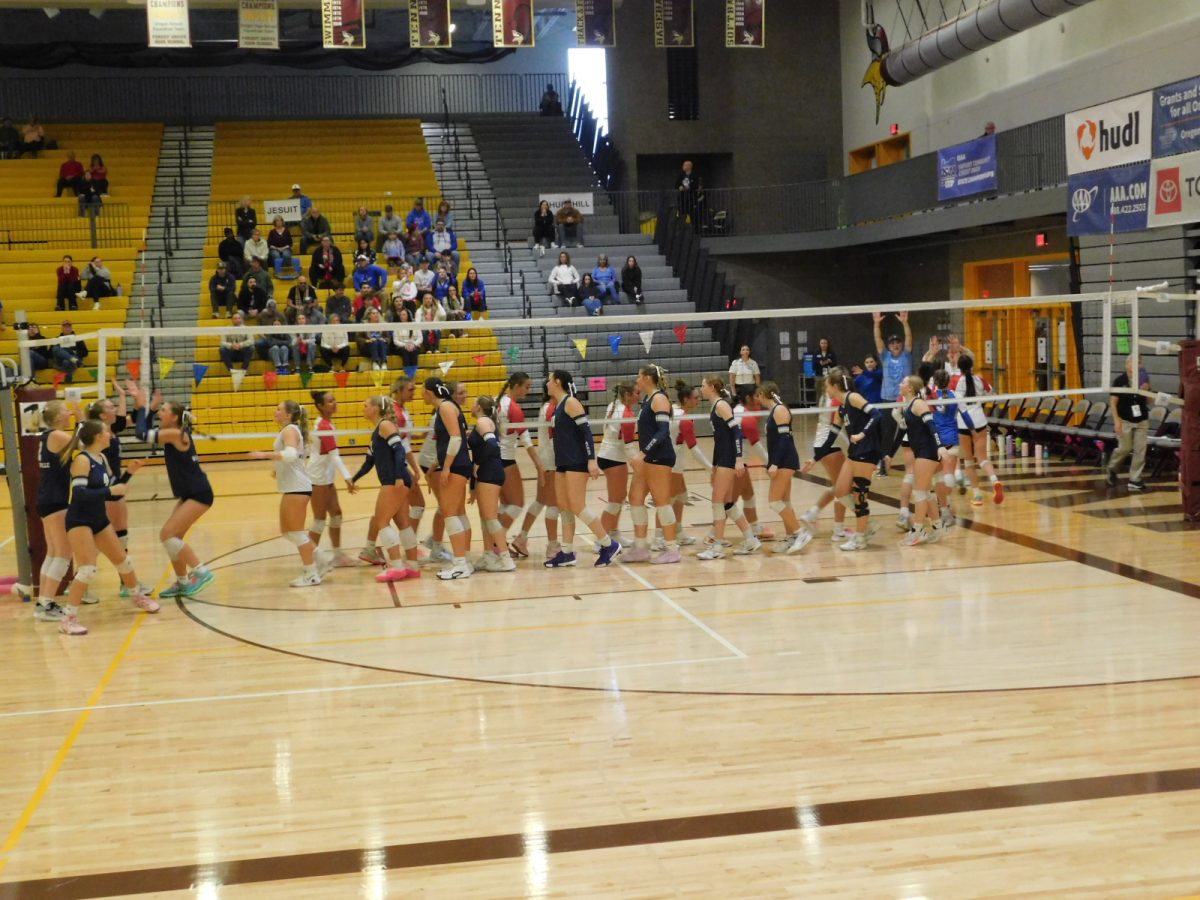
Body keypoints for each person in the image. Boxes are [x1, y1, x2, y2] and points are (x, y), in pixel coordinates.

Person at [57, 421, 157, 634]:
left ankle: (137, 596)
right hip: (79, 520)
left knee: (124, 562)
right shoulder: (82, 461)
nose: (110, 433)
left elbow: (114, 487)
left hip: (98, 518)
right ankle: (67, 619)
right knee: (87, 569)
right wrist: (111, 492)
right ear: (97, 436)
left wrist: (129, 473)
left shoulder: (101, 458)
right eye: (106, 431)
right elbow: (81, 495)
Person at [132, 386, 216, 598]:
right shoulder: (173, 433)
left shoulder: (174, 434)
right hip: (190, 493)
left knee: (167, 535)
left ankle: (202, 571)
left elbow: (141, 433)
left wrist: (143, 406)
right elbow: (145, 428)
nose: (160, 413)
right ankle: (183, 581)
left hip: (199, 494)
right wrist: (150, 409)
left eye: (163, 410)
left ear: (174, 417)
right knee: (173, 537)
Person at [543, 370, 622, 568]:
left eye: (549, 380)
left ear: (558, 382)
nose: (546, 383)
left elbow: (586, 432)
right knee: (564, 507)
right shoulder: (557, 405)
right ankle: (567, 552)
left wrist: (591, 460)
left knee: (577, 506)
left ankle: (608, 544)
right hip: (562, 462)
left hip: (577, 461)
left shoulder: (571, 402)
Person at [246, 401, 322, 586]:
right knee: (287, 532)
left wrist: (262, 455)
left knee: (295, 532)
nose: (275, 411)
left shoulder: (289, 430)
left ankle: (311, 573)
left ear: (288, 415)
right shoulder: (290, 429)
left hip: (297, 487)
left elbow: (290, 455)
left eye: (279, 409)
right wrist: (277, 469)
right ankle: (321, 558)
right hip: (292, 486)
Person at [350, 395, 419, 584]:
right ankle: (412, 567)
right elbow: (369, 462)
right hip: (396, 479)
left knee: (381, 521)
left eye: (365, 404)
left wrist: (397, 477)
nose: (362, 408)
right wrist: (353, 479)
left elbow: (399, 451)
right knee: (403, 523)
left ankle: (396, 567)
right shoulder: (377, 430)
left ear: (375, 408)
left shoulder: (385, 425)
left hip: (394, 480)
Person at [695, 376, 761, 559]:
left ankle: (717, 547)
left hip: (729, 458)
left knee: (717, 502)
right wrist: (714, 465)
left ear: (712, 387)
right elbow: (719, 439)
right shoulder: (715, 405)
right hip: (722, 458)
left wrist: (738, 459)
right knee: (727, 503)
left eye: (703, 385)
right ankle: (750, 539)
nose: (701, 388)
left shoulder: (721, 405)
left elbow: (737, 432)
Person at [623, 365, 681, 564]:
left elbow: (663, 431)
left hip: (659, 457)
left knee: (661, 501)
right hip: (648, 458)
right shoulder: (648, 399)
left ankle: (672, 548)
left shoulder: (659, 398)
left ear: (647, 378)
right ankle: (640, 548)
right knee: (635, 497)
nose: (636, 379)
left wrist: (643, 452)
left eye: (639, 376)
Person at [824, 368, 882, 552]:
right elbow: (833, 433)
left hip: (867, 449)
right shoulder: (841, 407)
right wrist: (815, 456)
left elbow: (877, 415)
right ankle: (868, 523)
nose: (825, 389)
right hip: (854, 451)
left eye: (827, 386)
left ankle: (860, 538)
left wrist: (862, 433)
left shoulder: (853, 397)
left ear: (834, 386)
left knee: (859, 496)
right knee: (841, 492)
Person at [31, 402, 77, 625]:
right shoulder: (58, 435)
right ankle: (46, 604)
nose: (69, 413)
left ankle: (43, 602)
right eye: (66, 411)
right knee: (63, 554)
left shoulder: (47, 434)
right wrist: (82, 418)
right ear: (59, 417)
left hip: (48, 499)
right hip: (55, 500)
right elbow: (85, 443)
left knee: (53, 553)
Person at [425, 378, 475, 580]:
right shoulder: (449, 406)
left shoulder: (445, 407)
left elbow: (455, 438)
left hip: (456, 465)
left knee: (450, 513)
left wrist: (445, 467)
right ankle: (466, 560)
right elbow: (448, 441)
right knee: (459, 513)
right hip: (459, 463)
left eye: (423, 390)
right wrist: (434, 466)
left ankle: (460, 564)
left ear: (429, 392)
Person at [755, 382, 812, 554]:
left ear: (765, 394)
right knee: (785, 501)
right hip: (781, 460)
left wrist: (774, 463)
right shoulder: (774, 411)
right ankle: (791, 538)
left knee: (774, 501)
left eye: (758, 395)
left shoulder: (780, 410)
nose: (757, 399)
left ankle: (799, 532)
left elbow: (784, 440)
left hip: (786, 460)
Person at [306, 391, 358, 568]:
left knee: (336, 514)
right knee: (319, 520)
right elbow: (334, 456)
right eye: (329, 401)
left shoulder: (325, 422)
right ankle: (310, 560)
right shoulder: (324, 426)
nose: (334, 403)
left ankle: (337, 555)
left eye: (334, 399)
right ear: (320, 406)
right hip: (317, 477)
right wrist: (348, 477)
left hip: (326, 476)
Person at [895, 375, 947, 546]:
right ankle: (938, 527)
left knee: (919, 492)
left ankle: (918, 530)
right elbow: (903, 431)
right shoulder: (907, 405)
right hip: (921, 451)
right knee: (926, 492)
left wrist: (940, 446)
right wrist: (888, 453)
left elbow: (932, 426)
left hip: (928, 450)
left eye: (903, 382)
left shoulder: (918, 404)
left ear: (910, 388)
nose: (900, 384)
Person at [511, 382, 561, 560]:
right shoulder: (551, 409)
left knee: (540, 501)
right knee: (553, 504)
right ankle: (552, 546)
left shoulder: (547, 407)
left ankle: (521, 538)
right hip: (552, 461)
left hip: (545, 459)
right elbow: (556, 438)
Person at [468, 396, 517, 572]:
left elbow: (492, 446)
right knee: (485, 517)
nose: (471, 406)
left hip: (490, 471)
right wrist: (473, 487)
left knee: (490, 517)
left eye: (474, 403)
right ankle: (488, 555)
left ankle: (505, 559)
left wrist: (478, 463)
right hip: (485, 473)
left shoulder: (483, 421)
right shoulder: (484, 422)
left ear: (480, 407)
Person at [950, 354, 1004, 506]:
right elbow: (992, 394)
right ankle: (995, 481)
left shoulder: (956, 382)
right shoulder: (980, 380)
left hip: (963, 424)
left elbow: (951, 402)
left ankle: (977, 495)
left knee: (968, 461)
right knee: (982, 458)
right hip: (979, 420)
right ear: (972, 365)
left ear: (959, 368)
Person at [799, 389, 850, 543]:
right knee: (843, 488)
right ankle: (838, 530)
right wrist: (849, 446)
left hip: (823, 443)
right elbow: (836, 429)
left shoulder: (825, 396)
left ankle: (812, 514)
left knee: (838, 486)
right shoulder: (836, 400)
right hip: (830, 445)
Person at [495, 373, 540, 534]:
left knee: (506, 504)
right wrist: (539, 466)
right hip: (505, 459)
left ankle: (494, 544)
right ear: (516, 386)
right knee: (517, 503)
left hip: (493, 458)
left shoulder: (497, 401)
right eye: (527, 387)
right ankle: (496, 544)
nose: (528, 390)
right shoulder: (513, 408)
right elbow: (526, 441)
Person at [873, 310, 912, 476]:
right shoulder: (885, 357)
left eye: (898, 342)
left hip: (904, 401)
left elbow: (909, 338)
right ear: (889, 346)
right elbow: (878, 340)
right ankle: (883, 462)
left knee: (903, 431)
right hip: (888, 400)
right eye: (892, 343)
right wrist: (876, 323)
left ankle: (888, 457)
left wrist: (905, 323)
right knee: (887, 432)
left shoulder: (907, 356)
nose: (895, 344)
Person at [1106, 355, 1151, 492]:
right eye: (1134, 362)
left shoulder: (1144, 379)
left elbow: (1149, 402)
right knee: (1124, 448)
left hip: (1141, 419)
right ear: (1127, 365)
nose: (1137, 365)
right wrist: (1116, 421)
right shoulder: (1120, 381)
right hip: (1125, 419)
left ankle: (1135, 479)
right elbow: (1113, 403)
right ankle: (1112, 467)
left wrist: (1147, 391)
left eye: (1139, 362)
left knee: (1140, 450)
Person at [358, 307, 390, 371]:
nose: (376, 315)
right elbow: (358, 338)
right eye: (373, 313)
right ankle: (375, 362)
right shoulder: (364, 324)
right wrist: (367, 340)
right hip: (367, 347)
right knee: (374, 342)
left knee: (380, 341)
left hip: (381, 347)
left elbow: (388, 337)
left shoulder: (383, 324)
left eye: (377, 313)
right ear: (369, 315)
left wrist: (384, 340)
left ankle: (384, 363)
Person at [675, 160, 701, 230]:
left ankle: (695, 232)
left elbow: (696, 185)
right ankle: (681, 232)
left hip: (692, 199)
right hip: (683, 199)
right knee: (682, 217)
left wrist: (689, 188)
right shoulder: (681, 175)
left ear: (689, 166)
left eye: (684, 165)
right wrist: (679, 187)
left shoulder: (694, 175)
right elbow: (676, 184)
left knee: (694, 217)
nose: (683, 167)